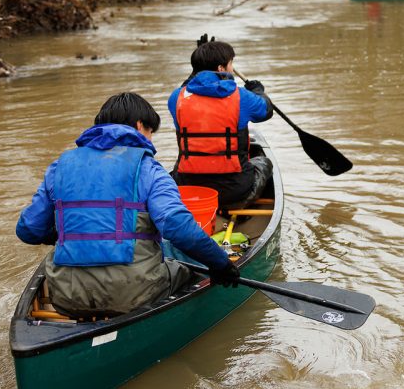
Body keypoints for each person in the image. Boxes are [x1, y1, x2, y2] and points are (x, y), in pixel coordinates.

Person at [16, 92, 239, 319]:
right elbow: (178, 227)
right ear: (140, 126)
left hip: (66, 296)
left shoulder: (59, 167)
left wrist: (71, 231)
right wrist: (220, 264)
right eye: (151, 132)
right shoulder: (149, 168)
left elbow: (28, 230)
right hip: (134, 295)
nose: (151, 141)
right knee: (188, 265)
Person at [168, 37, 273, 210]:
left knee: (173, 172)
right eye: (231, 63)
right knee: (264, 162)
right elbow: (266, 111)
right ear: (221, 68)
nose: (232, 68)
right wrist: (259, 91)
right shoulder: (242, 97)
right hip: (234, 192)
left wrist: (200, 68)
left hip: (189, 190)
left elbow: (188, 87)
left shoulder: (176, 98)